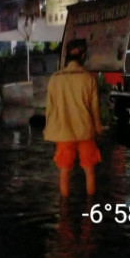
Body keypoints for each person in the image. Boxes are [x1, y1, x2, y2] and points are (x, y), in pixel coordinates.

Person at [44, 39, 103, 197]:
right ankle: (91, 211)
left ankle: (64, 213)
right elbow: (95, 109)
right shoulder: (89, 78)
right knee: (89, 172)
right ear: (83, 56)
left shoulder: (55, 78)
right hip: (85, 131)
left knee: (64, 173)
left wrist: (49, 129)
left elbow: (50, 109)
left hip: (63, 132)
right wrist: (98, 128)